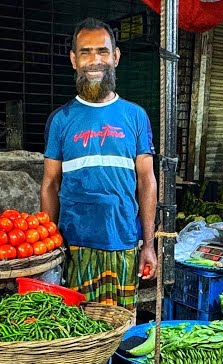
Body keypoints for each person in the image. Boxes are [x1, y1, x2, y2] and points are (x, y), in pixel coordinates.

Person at [40, 18, 157, 307]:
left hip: (124, 242)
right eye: (85, 52)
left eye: (102, 51)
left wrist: (149, 244)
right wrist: (47, 246)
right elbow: (50, 184)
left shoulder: (136, 116)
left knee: (121, 323)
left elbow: (147, 181)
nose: (95, 61)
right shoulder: (60, 120)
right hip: (74, 245)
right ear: (73, 60)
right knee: (76, 324)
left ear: (115, 57)